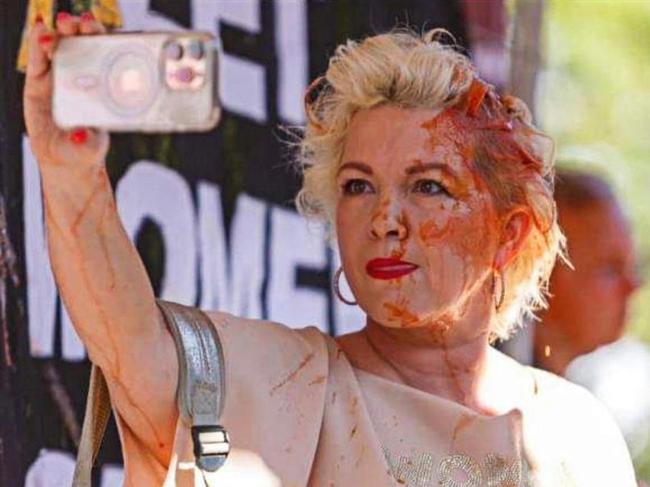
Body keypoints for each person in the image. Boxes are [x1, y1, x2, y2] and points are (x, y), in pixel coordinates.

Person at [24, 13, 636, 486]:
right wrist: (69, 171)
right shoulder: (286, 382)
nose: (384, 220)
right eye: (358, 187)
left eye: (429, 186)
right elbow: (130, 344)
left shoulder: (577, 431)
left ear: (511, 235)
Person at [534, 169, 643, 375]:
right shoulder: (478, 391)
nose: (632, 287)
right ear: (541, 276)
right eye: (610, 269)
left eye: (632, 267)